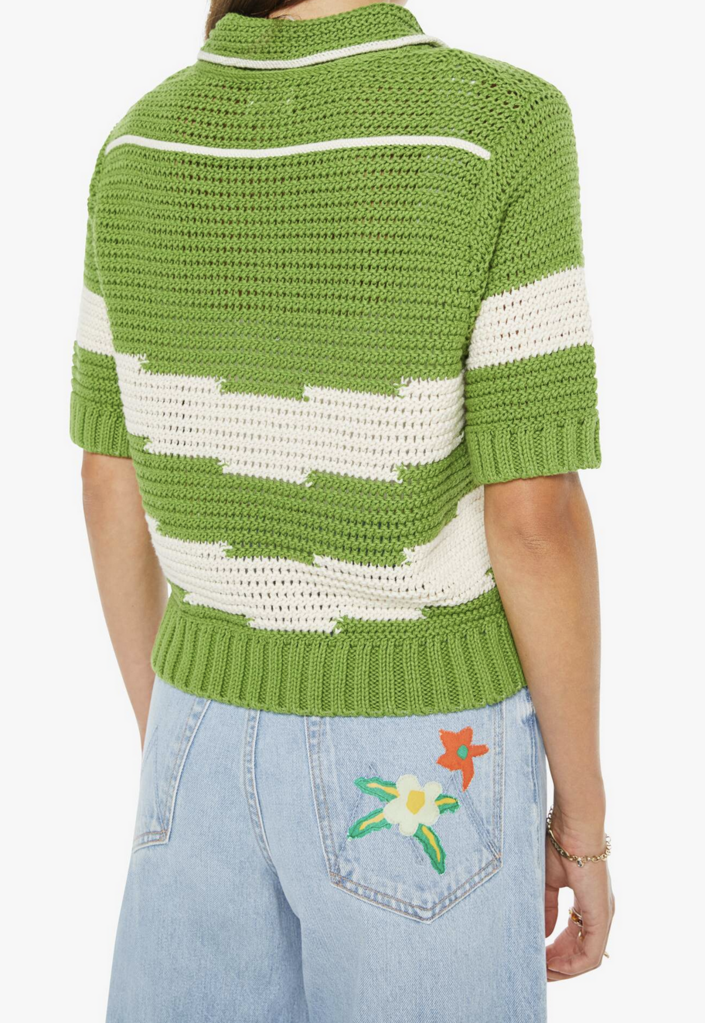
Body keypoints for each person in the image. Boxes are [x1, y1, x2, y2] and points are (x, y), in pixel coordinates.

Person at [70, 1, 614, 1020]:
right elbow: (532, 511)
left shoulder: (138, 140)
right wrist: (580, 826)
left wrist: (175, 735)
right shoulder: (498, 124)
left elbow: (110, 476)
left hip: (193, 729)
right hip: (420, 742)